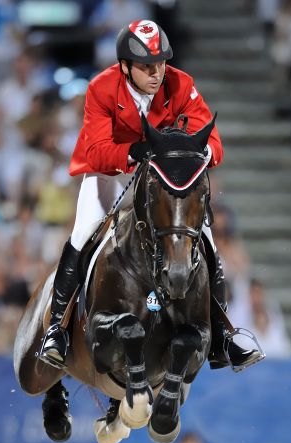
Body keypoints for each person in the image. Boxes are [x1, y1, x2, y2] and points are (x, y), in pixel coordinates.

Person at [36, 20, 263, 373]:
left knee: (204, 239)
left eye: (159, 64)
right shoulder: (102, 87)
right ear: (126, 66)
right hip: (113, 172)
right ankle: (57, 331)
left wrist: (195, 155)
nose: (156, 73)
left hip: (162, 178)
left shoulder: (181, 84)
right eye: (146, 67)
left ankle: (222, 335)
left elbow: (213, 143)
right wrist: (135, 150)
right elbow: (96, 151)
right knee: (83, 233)